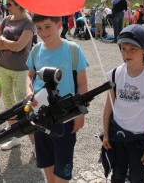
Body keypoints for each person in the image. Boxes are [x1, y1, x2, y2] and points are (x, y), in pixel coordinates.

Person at [25, 14, 88, 182]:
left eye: (47, 27)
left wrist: (80, 114)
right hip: (41, 116)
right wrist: (29, 91)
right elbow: (29, 76)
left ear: (59, 24)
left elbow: (82, 84)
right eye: (38, 28)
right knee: (46, 161)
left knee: (63, 166)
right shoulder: (36, 49)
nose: (43, 32)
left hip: (65, 117)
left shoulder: (73, 49)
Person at [102, 24, 144, 183]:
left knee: (137, 177)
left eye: (133, 49)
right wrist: (105, 133)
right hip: (118, 136)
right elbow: (108, 107)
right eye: (123, 49)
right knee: (117, 175)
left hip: (140, 140)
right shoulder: (115, 74)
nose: (126, 53)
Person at [0, 0, 35, 152]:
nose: (7, 6)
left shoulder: (28, 23)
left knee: (25, 107)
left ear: (19, 5)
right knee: (9, 105)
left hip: (21, 70)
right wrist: (8, 43)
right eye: (6, 3)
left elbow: (19, 47)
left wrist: (3, 40)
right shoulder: (6, 19)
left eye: (9, 4)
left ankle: (34, 144)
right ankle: (15, 138)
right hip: (2, 67)